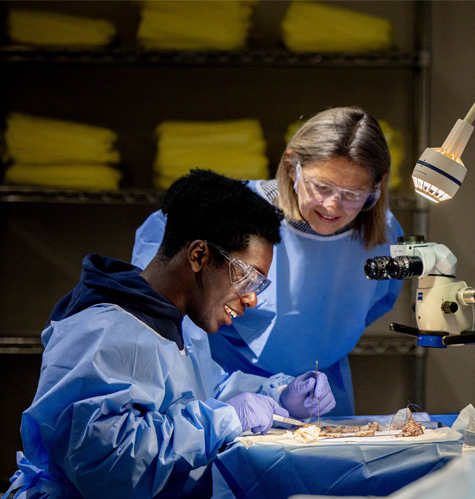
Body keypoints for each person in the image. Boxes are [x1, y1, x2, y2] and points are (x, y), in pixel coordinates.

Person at [0, 169, 335, 499]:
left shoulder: (165, 324)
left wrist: (276, 397)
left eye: (262, 286)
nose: (251, 298)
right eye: (248, 276)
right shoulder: (106, 329)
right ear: (200, 254)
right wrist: (225, 420)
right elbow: (105, 463)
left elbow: (193, 402)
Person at [132, 106, 404, 417]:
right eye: (322, 187)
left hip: (317, 392)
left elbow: (371, 305)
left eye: (353, 194)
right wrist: (237, 396)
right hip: (225, 388)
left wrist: (302, 378)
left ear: (377, 186)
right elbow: (166, 311)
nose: (333, 206)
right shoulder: (229, 216)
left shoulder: (383, 232)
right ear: (292, 167)